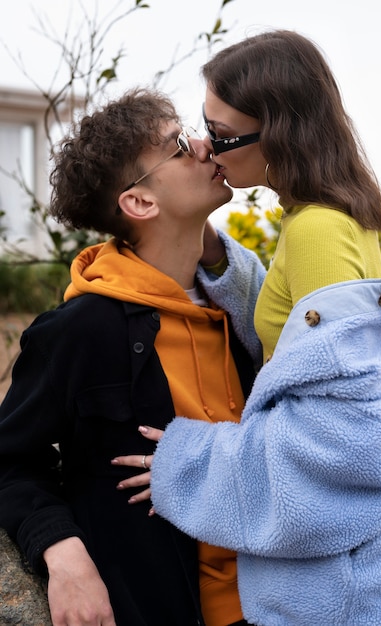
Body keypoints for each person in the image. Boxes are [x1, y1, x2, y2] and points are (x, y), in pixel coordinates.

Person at [112, 31, 381, 625]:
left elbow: (343, 438)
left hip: (341, 594)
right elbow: (300, 339)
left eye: (222, 137)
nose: (205, 147)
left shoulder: (316, 232)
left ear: (281, 132)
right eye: (203, 125)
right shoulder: (328, 217)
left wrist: (192, 465)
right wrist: (211, 255)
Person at [0, 87, 266, 626]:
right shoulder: (78, 331)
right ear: (140, 202)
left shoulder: (245, 311)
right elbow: (9, 461)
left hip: (281, 601)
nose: (202, 144)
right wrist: (62, 552)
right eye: (176, 146)